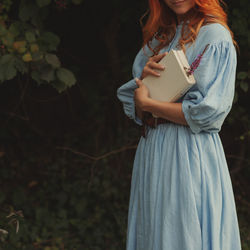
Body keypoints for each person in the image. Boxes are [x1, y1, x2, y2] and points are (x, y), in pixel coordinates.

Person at [117, 0, 242, 249]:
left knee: (183, 231)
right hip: (152, 146)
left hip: (188, 151)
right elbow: (137, 106)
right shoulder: (160, 38)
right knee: (154, 231)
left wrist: (150, 105)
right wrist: (143, 81)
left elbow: (209, 113)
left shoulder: (214, 35)